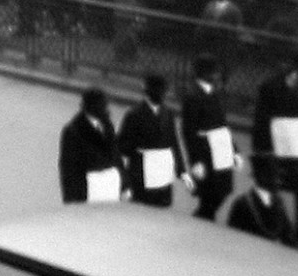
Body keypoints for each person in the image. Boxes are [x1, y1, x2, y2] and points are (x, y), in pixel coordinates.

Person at [252, 59, 298, 245]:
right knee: (275, 185)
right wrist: (262, 146)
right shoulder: (270, 86)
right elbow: (262, 117)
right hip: (279, 141)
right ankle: (279, 227)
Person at [180, 54, 238, 222]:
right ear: (205, 73)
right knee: (211, 193)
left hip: (219, 149)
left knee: (222, 189)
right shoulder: (193, 97)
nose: (217, 76)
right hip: (205, 151)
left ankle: (203, 218)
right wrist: (195, 160)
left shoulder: (213, 94)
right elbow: (188, 132)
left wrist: (234, 150)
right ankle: (202, 220)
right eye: (214, 72)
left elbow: (222, 125)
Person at [117, 74, 186, 208]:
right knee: (142, 208)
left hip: (162, 170)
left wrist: (181, 170)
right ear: (148, 92)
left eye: (162, 92)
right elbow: (121, 144)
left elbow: (174, 142)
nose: (161, 95)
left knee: (161, 206)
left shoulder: (168, 114)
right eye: (157, 91)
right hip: (141, 171)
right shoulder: (134, 114)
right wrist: (139, 150)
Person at [58, 86, 121, 204]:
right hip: (85, 190)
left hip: (108, 187)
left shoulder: (107, 126)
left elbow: (116, 156)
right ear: (91, 107)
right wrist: (71, 198)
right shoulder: (73, 131)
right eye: (102, 105)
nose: (106, 109)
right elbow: (68, 168)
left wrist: (124, 184)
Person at [227, 162, 298, 246]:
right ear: (261, 177)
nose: (279, 181)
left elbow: (287, 235)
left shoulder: (277, 202)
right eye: (274, 176)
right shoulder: (242, 204)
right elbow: (233, 238)